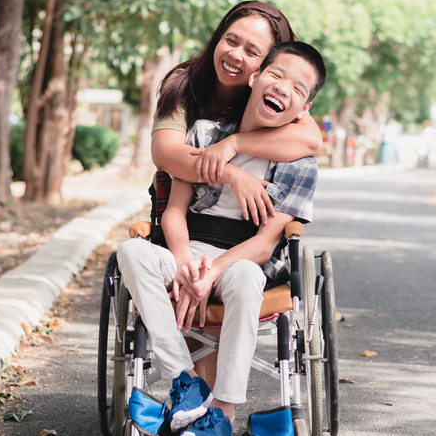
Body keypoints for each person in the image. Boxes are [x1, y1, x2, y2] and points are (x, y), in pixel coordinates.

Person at [117, 41, 327, 436]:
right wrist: (183, 261)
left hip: (239, 262)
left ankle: (224, 411)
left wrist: (210, 272)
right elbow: (174, 211)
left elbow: (266, 244)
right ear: (255, 78)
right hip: (186, 251)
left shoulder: (301, 165)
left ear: (304, 111)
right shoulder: (204, 134)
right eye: (277, 75)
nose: (283, 88)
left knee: (249, 277)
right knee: (132, 251)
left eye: (298, 88)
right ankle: (186, 382)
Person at [150, 1, 322, 228]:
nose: (235, 55)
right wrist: (233, 175)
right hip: (184, 205)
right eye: (231, 41)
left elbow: (311, 141)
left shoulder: (271, 95)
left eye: (252, 51)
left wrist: (234, 143)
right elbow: (165, 153)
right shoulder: (184, 83)